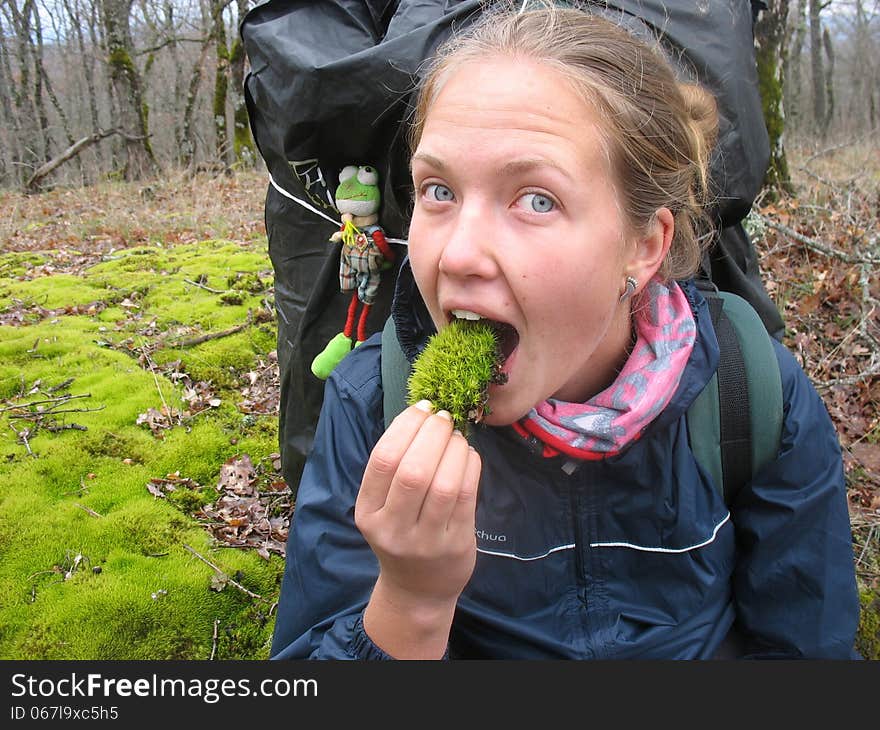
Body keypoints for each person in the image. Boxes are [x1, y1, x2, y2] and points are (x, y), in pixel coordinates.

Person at [269, 5, 859, 660]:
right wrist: (412, 601)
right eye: (439, 191)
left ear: (643, 246)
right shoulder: (369, 403)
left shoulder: (751, 395)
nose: (458, 254)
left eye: (536, 200)